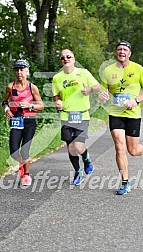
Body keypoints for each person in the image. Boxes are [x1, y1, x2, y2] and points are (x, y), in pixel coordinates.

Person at [99, 40, 143, 195]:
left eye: (125, 49)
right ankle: (125, 182)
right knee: (119, 145)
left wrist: (135, 100)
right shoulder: (108, 70)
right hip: (115, 113)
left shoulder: (137, 69)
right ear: (116, 53)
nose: (121, 52)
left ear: (129, 53)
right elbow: (103, 92)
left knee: (132, 150)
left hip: (132, 114)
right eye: (119, 49)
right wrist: (102, 95)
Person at [52, 49, 100, 185]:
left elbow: (98, 86)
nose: (65, 59)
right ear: (60, 61)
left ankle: (86, 158)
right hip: (66, 116)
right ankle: (78, 171)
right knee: (71, 148)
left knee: (78, 146)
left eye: (68, 56)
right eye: (62, 58)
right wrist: (57, 102)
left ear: (73, 58)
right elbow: (56, 95)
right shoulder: (57, 77)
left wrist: (89, 90)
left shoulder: (83, 73)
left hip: (82, 115)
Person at [2, 59, 44, 186]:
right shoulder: (11, 86)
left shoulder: (32, 87)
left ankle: (26, 175)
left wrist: (30, 105)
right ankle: (23, 164)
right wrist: (7, 109)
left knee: (25, 150)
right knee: (14, 151)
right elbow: (4, 101)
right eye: (17, 70)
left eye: (22, 69)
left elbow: (41, 106)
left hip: (29, 121)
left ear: (27, 71)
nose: (19, 72)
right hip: (16, 120)